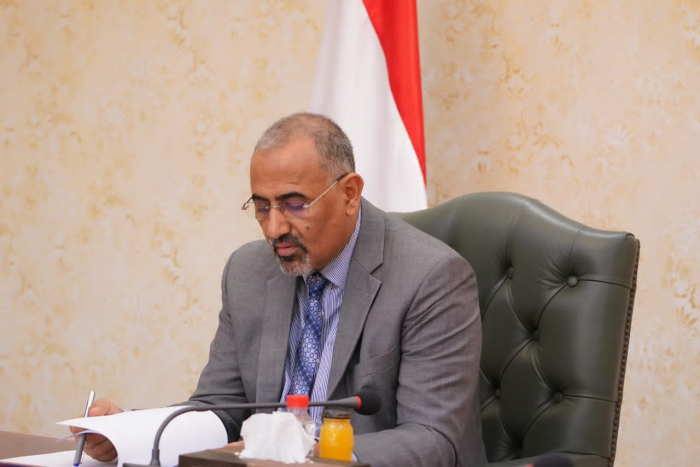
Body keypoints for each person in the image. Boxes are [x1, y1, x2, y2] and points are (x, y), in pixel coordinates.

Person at [71, 113, 487, 467]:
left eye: (294, 204)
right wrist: (133, 432)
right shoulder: (248, 272)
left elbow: (433, 438)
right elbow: (222, 407)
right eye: (262, 206)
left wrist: (305, 457)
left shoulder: (431, 277)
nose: (274, 229)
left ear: (349, 193)